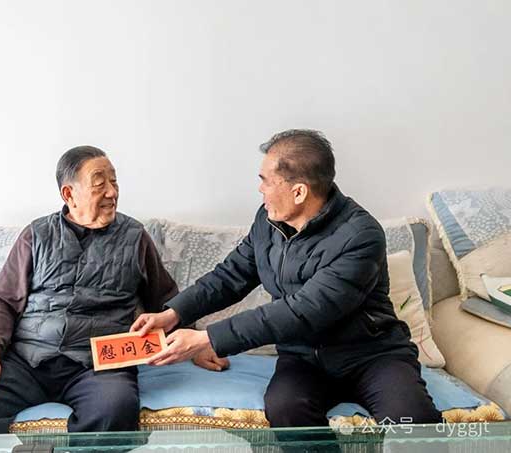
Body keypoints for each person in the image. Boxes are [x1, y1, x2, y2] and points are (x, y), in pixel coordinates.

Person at [131, 129, 442, 427]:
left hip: (371, 355)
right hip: (303, 358)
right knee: (285, 409)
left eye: (266, 181)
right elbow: (231, 275)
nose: (260, 189)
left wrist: (207, 338)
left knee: (414, 420)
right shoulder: (267, 221)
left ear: (299, 191)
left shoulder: (360, 236)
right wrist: (174, 314)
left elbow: (303, 310)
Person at [0, 146, 182, 434]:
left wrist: (195, 341)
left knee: (115, 408)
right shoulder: (36, 235)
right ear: (69, 194)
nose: (112, 192)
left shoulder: (135, 237)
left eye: (114, 181)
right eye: (99, 183)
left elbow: (167, 300)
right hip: (27, 360)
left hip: (99, 366)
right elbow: (2, 302)